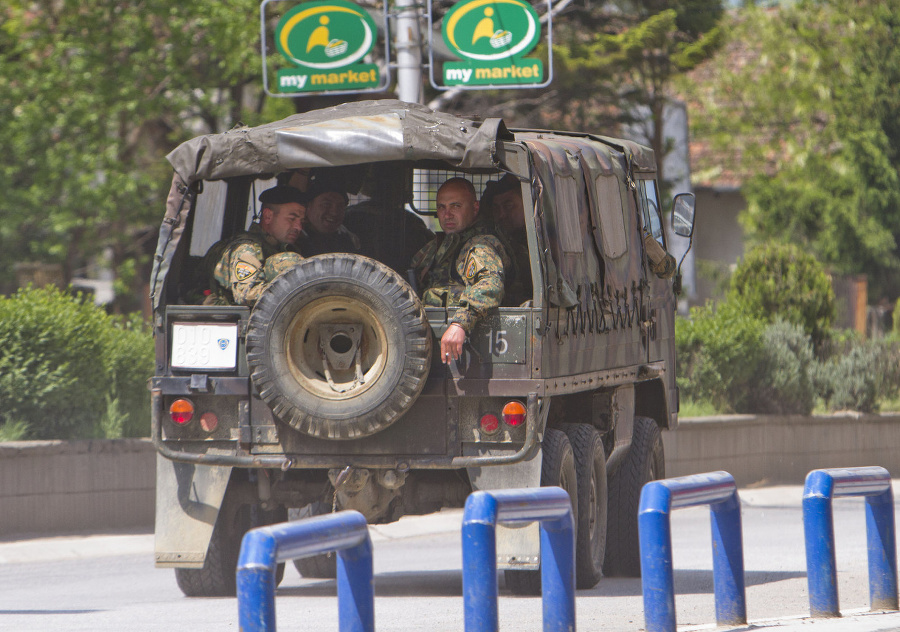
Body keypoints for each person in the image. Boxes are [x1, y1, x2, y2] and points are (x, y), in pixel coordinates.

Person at [411, 177, 511, 364]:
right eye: (441, 207)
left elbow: (491, 284)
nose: (447, 214)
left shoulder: (479, 246)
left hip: (461, 347)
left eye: (455, 206)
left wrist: (459, 324)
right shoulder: (437, 246)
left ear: (474, 208)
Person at [206, 185, 307, 307]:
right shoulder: (246, 248)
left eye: (301, 221)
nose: (298, 227)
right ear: (268, 216)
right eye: (292, 219)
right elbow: (247, 294)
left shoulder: (279, 247)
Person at [487, 174, 532, 306]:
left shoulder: (542, 240)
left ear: (527, 205)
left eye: (509, 206)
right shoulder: (493, 240)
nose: (501, 215)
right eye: (496, 208)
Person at [296, 179, 361, 256]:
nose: (334, 212)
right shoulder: (294, 238)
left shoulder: (350, 240)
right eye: (326, 204)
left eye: (340, 206)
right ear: (308, 206)